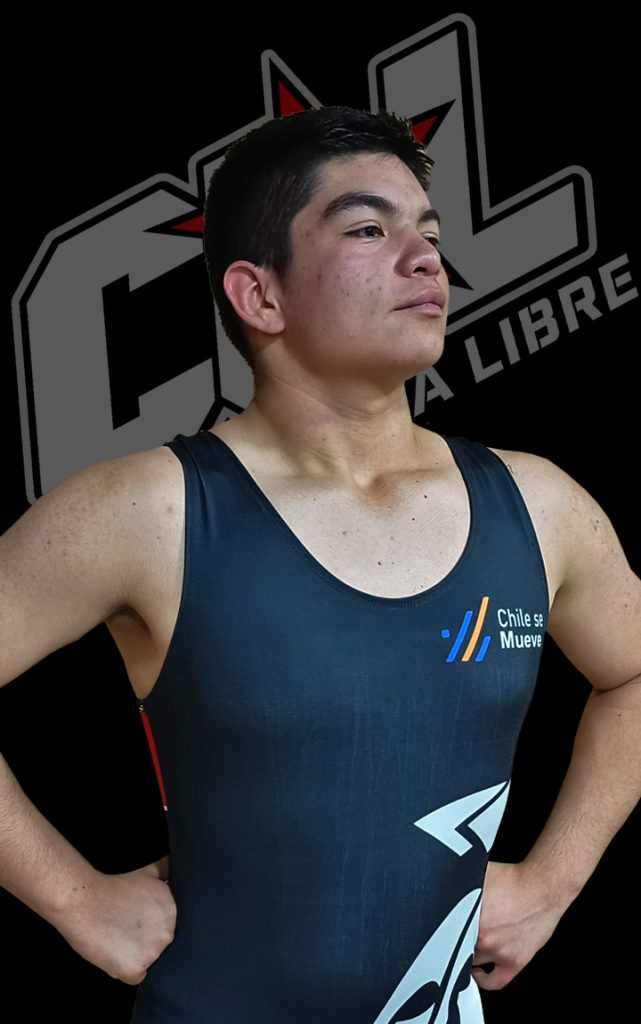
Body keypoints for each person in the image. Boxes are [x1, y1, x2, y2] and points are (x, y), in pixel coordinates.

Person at [0, 105, 639, 1023]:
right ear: (259, 296)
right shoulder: (149, 512)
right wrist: (73, 899)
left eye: (429, 234)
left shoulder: (537, 506)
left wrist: (551, 880)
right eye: (369, 230)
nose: (425, 260)